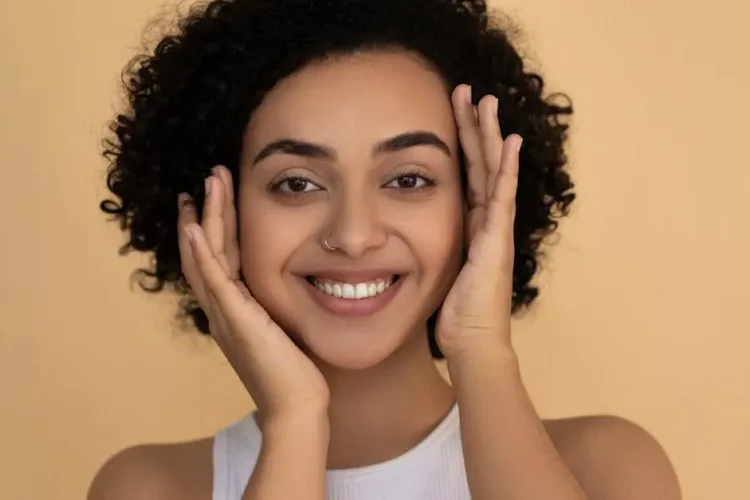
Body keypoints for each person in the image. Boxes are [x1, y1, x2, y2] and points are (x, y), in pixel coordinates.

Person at [88, 0, 681, 498]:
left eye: (408, 179)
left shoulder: (609, 469)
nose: (353, 235)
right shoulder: (150, 487)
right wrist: (295, 420)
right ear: (224, 210)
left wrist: (481, 348)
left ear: (480, 201)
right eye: (297, 183)